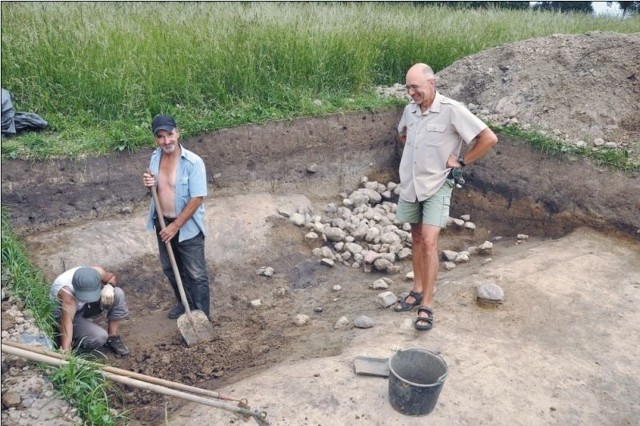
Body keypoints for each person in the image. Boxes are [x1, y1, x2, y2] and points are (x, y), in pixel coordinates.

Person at [394, 63, 498, 331]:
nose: (411, 92)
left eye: (415, 86)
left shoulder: (452, 110)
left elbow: (488, 138)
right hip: (412, 183)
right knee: (415, 237)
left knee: (429, 241)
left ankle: (426, 304)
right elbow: (403, 134)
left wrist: (461, 161)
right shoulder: (410, 110)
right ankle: (416, 289)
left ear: (432, 83)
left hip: (437, 184)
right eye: (408, 87)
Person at [142, 114, 211, 320]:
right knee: (170, 268)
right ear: (156, 139)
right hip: (162, 221)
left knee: (196, 274)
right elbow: (158, 191)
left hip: (186, 225)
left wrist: (176, 226)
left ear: (177, 132)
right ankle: (184, 302)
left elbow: (197, 198)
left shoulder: (193, 162)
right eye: (161, 137)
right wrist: (149, 185)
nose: (166, 141)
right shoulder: (156, 157)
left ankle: (201, 315)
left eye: (170, 135)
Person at [50, 266, 130, 355]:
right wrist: (66, 352)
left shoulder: (96, 272)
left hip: (83, 307)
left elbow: (111, 277)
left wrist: (109, 286)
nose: (87, 298)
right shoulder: (67, 296)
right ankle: (75, 340)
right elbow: (66, 324)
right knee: (99, 337)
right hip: (66, 316)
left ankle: (112, 337)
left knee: (117, 293)